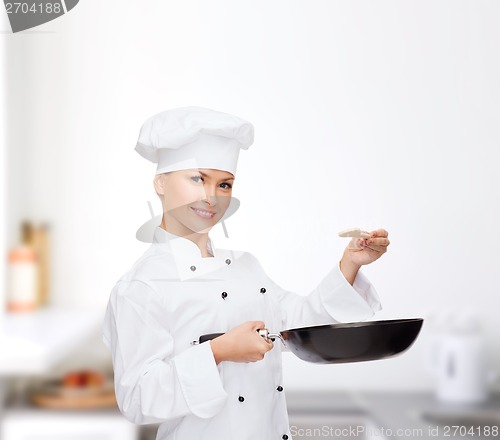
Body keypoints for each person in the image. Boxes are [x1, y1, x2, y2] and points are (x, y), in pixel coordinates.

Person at [102, 106, 390, 440]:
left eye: (224, 184)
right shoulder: (140, 287)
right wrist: (218, 352)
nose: (212, 197)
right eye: (197, 178)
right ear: (160, 182)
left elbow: (297, 323)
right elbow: (138, 399)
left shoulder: (245, 266)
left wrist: (350, 264)